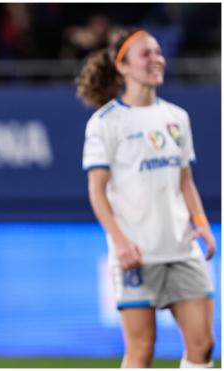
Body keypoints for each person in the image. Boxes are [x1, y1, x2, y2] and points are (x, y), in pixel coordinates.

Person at [77, 29, 216, 368]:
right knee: (142, 349)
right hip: (136, 253)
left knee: (203, 344)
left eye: (158, 52)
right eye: (145, 54)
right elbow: (97, 190)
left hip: (181, 248)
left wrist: (201, 223)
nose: (156, 59)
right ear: (122, 66)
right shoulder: (105, 122)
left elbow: (186, 181)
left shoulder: (176, 117)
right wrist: (120, 241)